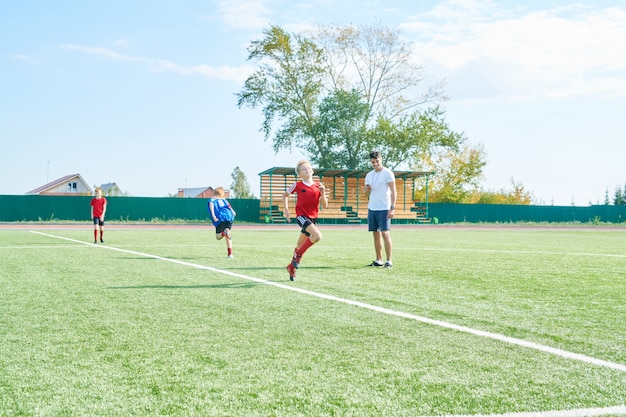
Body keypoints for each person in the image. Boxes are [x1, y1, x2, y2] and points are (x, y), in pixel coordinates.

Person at [282, 159, 328, 281]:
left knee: (299, 245)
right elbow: (284, 195)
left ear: (312, 170)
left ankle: (291, 267)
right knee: (317, 236)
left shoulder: (318, 186)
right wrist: (286, 210)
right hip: (301, 217)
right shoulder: (297, 185)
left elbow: (325, 205)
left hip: (313, 219)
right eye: (304, 169)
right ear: (300, 174)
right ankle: (299, 255)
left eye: (308, 167)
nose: (307, 169)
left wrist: (323, 193)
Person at [363, 150, 397, 268]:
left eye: (377, 161)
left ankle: (389, 261)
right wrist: (368, 189)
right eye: (373, 162)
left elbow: (393, 191)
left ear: (381, 160)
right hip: (372, 208)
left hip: (384, 208)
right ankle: (379, 260)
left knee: (385, 234)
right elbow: (365, 195)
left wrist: (392, 208)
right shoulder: (369, 175)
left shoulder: (388, 173)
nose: (375, 164)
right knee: (375, 235)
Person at [208, 187, 237, 258]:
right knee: (228, 235)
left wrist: (214, 216)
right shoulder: (225, 200)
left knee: (218, 236)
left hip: (221, 217)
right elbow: (232, 210)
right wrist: (233, 213)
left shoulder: (212, 199)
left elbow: (211, 205)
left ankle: (224, 232)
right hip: (229, 217)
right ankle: (230, 254)